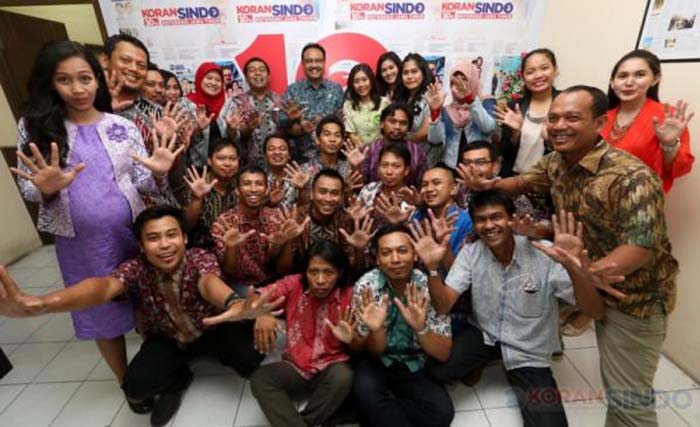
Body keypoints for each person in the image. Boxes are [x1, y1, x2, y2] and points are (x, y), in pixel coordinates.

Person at [462, 85, 679, 427]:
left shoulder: (631, 176)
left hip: (632, 298)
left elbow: (642, 245)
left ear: (600, 123)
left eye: (572, 117)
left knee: (628, 401)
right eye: (554, 118)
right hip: (580, 273)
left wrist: (590, 271)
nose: (559, 125)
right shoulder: (556, 162)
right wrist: (490, 187)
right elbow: (520, 184)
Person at [0, 206, 282, 427]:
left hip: (211, 329)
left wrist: (233, 301)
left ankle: (217, 355)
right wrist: (41, 303)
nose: (164, 245)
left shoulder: (199, 258)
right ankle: (178, 378)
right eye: (153, 238)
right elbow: (103, 288)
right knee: (135, 389)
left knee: (250, 359)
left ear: (184, 237)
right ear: (141, 245)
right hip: (169, 339)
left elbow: (209, 283)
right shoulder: (135, 268)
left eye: (171, 235)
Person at [11, 40, 183, 384]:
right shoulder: (35, 128)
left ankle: (157, 369)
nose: (78, 89)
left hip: (131, 234)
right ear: (50, 83)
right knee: (100, 313)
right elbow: (30, 189)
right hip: (80, 243)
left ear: (98, 80)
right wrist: (46, 187)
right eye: (65, 80)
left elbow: (144, 184)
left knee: (144, 302)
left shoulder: (122, 127)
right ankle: (126, 381)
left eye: (85, 78)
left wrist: (161, 171)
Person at [419, 191, 611, 427]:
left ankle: (510, 368)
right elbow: (444, 304)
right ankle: (484, 360)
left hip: (528, 348)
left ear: (511, 219)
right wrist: (432, 268)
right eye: (481, 219)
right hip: (486, 334)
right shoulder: (471, 253)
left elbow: (595, 312)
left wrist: (574, 270)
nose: (489, 225)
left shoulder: (544, 253)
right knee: (435, 370)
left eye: (496, 217)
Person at [204, 241, 357, 427]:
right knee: (260, 380)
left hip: (331, 366)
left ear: (339, 273)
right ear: (305, 272)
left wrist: (352, 339)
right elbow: (263, 295)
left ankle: (302, 421)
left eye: (329, 272)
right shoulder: (294, 284)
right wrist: (261, 312)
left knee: (344, 376)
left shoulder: (350, 294)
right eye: (313, 272)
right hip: (296, 366)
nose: (320, 280)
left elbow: (361, 341)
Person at [351, 224, 454, 427]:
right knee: (366, 392)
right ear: (378, 260)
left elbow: (443, 354)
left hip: (415, 362)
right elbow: (372, 351)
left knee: (442, 414)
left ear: (415, 255)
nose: (395, 259)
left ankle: (379, 411)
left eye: (403, 251)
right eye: (387, 253)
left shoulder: (428, 286)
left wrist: (420, 328)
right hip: (378, 362)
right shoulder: (366, 286)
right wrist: (377, 329)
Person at [601, 49, 694, 193]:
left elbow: (679, 169)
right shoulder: (600, 117)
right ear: (612, 83)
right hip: (595, 201)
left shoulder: (668, 117)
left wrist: (669, 144)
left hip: (640, 203)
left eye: (639, 75)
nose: (629, 82)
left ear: (655, 79)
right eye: (622, 76)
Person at [211, 165, 308, 291]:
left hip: (272, 283)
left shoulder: (276, 218)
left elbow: (284, 271)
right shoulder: (224, 223)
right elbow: (229, 272)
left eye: (259, 184)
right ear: (237, 190)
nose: (253, 189)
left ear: (267, 190)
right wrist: (231, 248)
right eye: (247, 184)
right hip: (239, 285)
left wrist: (285, 243)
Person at [456, 141, 552, 238]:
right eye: (467, 163)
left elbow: (541, 226)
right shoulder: (458, 192)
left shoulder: (511, 192)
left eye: (480, 162)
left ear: (495, 165)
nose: (473, 168)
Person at [496, 48, 560, 178]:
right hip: (515, 180)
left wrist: (550, 140)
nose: (538, 75)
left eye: (544, 68)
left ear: (555, 70)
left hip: (550, 182)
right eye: (530, 71)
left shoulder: (565, 104)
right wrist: (515, 133)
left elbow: (573, 151)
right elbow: (504, 153)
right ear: (523, 77)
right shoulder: (514, 106)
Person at [425, 59, 497, 169]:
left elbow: (488, 127)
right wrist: (435, 112)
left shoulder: (486, 102)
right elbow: (435, 140)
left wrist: (470, 100)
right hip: (451, 167)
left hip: (479, 167)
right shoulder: (446, 110)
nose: (460, 84)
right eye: (455, 81)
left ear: (473, 80)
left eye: (464, 79)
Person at [281, 43, 344, 162]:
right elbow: (284, 126)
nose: (314, 65)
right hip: (300, 160)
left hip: (331, 160)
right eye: (309, 61)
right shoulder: (293, 90)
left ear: (324, 63)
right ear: (303, 64)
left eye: (318, 60)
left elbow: (342, 126)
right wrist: (298, 125)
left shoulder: (336, 90)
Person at [218, 57, 284, 168]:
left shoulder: (281, 102)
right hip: (245, 169)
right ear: (246, 77)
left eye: (262, 70)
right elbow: (223, 137)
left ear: (268, 76)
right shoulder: (235, 102)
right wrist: (241, 130)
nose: (257, 73)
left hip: (277, 168)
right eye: (252, 70)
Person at [183, 137, 240, 250]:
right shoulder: (197, 185)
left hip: (235, 246)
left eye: (232, 159)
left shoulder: (241, 186)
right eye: (221, 158)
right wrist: (196, 199)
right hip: (202, 250)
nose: (227, 163)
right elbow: (185, 226)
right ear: (209, 160)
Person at [360, 102, 426, 186]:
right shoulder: (368, 150)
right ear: (382, 124)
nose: (397, 127)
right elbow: (359, 186)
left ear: (409, 127)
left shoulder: (417, 152)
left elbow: (422, 185)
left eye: (403, 123)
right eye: (392, 121)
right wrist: (355, 168)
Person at [179, 62, 226, 168]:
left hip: (225, 167)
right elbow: (180, 139)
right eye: (209, 78)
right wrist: (197, 129)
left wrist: (233, 129)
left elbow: (236, 139)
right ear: (200, 79)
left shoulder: (228, 104)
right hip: (195, 168)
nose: (213, 83)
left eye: (218, 80)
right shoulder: (185, 104)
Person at [357, 144, 414, 229]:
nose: (389, 172)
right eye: (384, 165)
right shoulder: (369, 189)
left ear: (406, 170)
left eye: (396, 166)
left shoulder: (412, 200)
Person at [343, 63, 390, 145]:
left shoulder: (384, 102)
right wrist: (367, 153)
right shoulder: (348, 106)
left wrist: (376, 151)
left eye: (364, 80)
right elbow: (351, 134)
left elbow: (388, 131)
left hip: (382, 151)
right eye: (356, 81)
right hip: (359, 153)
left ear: (371, 81)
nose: (361, 85)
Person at [394, 53, 434, 146]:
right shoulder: (400, 98)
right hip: (404, 153)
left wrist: (399, 140)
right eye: (405, 72)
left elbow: (424, 133)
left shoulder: (430, 96)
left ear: (423, 73)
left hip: (425, 155)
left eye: (414, 71)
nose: (409, 76)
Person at [264, 134, 298, 209]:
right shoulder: (260, 180)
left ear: (289, 155)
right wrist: (269, 202)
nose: (277, 152)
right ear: (265, 156)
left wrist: (303, 189)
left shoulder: (298, 177)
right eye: (271, 149)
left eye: (282, 149)